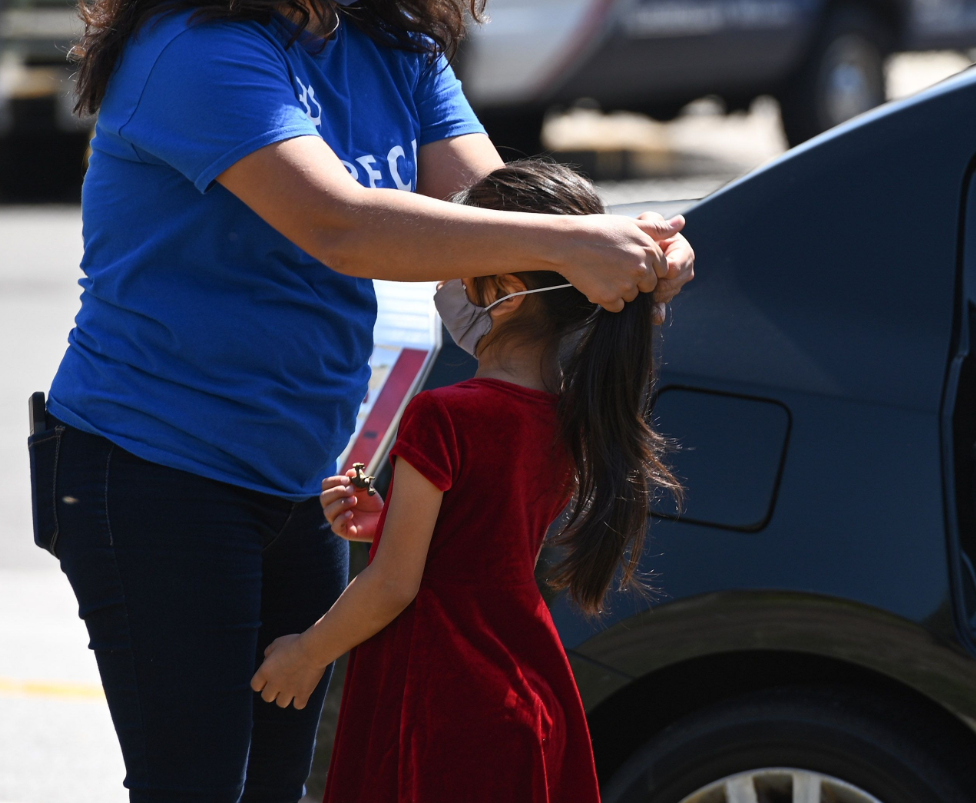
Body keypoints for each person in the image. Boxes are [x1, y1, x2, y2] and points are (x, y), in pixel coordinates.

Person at [36, 0, 693, 803]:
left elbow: (499, 216)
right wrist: (570, 246)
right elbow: (340, 227)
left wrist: (638, 237)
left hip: (297, 477)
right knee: (197, 782)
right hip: (151, 469)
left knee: (282, 778)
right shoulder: (197, 50)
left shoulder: (392, 51)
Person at [248, 159, 676, 802]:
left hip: (443, 693)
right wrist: (388, 520)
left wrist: (307, 653)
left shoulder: (447, 413)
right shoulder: (572, 414)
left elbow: (394, 584)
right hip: (525, 684)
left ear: (500, 284)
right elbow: (483, 536)